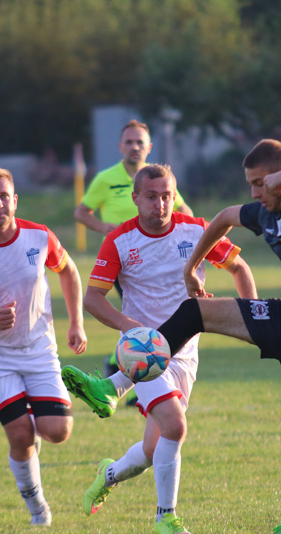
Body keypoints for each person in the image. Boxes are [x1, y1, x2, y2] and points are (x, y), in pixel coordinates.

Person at [65, 139, 281, 534]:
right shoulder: (262, 212)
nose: (255, 194)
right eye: (251, 185)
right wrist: (192, 269)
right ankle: (115, 387)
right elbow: (224, 216)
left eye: (261, 184)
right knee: (195, 314)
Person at [62, 163, 256, 534]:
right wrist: (130, 328)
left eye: (167, 195)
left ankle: (110, 470)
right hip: (143, 355)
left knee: (154, 450)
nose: (160, 204)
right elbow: (92, 298)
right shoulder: (120, 240)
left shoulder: (196, 230)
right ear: (136, 199)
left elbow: (239, 267)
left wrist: (254, 316)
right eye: (151, 196)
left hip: (185, 355)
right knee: (176, 427)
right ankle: (166, 517)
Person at [0, 165, 87, 527]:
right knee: (21, 432)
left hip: (39, 349)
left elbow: (69, 272)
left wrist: (76, 323)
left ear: (15, 200)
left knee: (57, 431)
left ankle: (31, 437)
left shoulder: (40, 237)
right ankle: (37, 505)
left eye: (4, 196)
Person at [75, 120, 194, 402]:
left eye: (140, 142)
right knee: (144, 318)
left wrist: (193, 241)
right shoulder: (106, 178)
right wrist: (104, 228)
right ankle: (134, 380)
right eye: (129, 142)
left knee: (156, 320)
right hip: (125, 257)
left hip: (160, 254)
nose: (134, 147)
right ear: (120, 147)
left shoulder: (158, 178)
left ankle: (120, 379)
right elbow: (82, 212)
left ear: (149, 147)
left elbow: (182, 209)